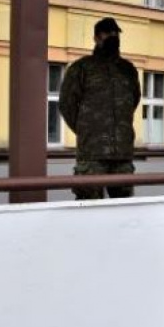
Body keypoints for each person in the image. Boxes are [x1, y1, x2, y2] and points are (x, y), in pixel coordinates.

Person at [59, 17, 141, 199]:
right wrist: (87, 129)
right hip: (92, 155)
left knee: (124, 209)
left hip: (122, 155)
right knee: (89, 208)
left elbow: (133, 102)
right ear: (96, 37)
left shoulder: (128, 70)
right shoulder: (81, 68)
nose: (113, 36)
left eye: (116, 33)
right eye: (107, 32)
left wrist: (118, 127)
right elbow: (66, 104)